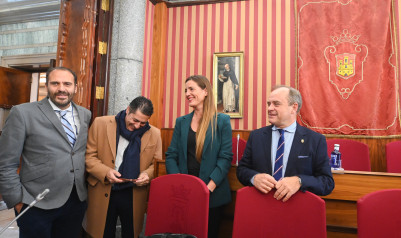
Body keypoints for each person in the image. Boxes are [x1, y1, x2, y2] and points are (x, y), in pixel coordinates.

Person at [0, 67, 91, 238]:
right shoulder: (23, 113)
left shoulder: (85, 115)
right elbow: (4, 164)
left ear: (76, 87)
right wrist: (17, 201)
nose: (61, 88)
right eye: (55, 83)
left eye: (67, 83)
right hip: (35, 203)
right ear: (47, 86)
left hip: (75, 202)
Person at [237, 85, 334, 202]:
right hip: (262, 207)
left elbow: (327, 183)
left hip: (297, 210)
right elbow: (242, 170)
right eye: (269, 104)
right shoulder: (256, 136)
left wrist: (299, 181)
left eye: (276, 104)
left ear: (293, 107)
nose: (269, 108)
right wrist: (254, 178)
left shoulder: (315, 140)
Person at [166, 75, 233, 238]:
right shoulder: (181, 122)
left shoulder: (222, 120)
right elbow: (171, 155)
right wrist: (178, 182)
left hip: (212, 193)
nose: (187, 93)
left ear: (205, 91)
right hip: (184, 194)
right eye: (185, 90)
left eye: (191, 89)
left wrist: (208, 187)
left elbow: (225, 157)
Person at [85, 96, 162, 238]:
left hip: (134, 193)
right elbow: (89, 157)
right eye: (135, 120)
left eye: (143, 123)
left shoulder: (155, 134)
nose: (138, 126)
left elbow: (155, 164)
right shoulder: (100, 123)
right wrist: (106, 172)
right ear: (128, 110)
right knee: (103, 233)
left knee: (131, 233)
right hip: (104, 189)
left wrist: (147, 174)